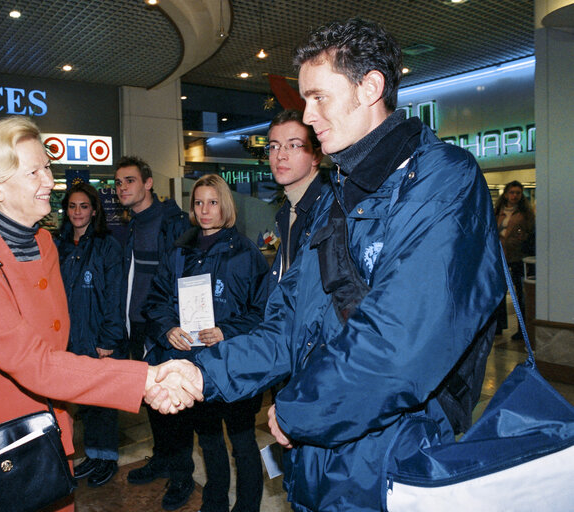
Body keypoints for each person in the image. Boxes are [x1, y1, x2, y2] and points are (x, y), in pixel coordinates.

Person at [150, 18, 505, 511]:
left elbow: (399, 347)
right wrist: (201, 373)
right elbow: (287, 323)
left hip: (394, 456)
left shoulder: (443, 181)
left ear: (371, 87)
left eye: (319, 98)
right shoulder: (340, 192)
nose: (308, 116)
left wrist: (297, 411)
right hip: (321, 457)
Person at [0, 117, 200, 512]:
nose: (50, 181)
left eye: (47, 166)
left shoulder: (43, 241)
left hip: (50, 425)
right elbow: (32, 362)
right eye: (34, 171)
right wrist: (144, 378)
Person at [144, 174, 269, 512]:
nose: (204, 210)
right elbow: (155, 300)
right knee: (210, 442)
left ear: (224, 205)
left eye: (212, 202)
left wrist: (228, 330)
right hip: (196, 366)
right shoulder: (179, 251)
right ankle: (214, 504)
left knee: (243, 444)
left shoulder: (246, 253)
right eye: (198, 202)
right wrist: (168, 328)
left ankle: (247, 507)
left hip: (236, 363)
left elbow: (264, 312)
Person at [114, 155, 192, 509]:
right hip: (136, 324)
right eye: (118, 183)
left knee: (173, 405)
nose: (122, 189)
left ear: (148, 183)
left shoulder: (171, 222)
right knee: (151, 399)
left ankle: (182, 477)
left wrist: (172, 325)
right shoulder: (132, 224)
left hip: (162, 327)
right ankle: (161, 460)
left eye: (129, 181)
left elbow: (180, 279)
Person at [56, 182, 125, 487]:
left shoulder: (107, 245)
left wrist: (108, 340)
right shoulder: (60, 245)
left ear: (95, 210)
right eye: (72, 206)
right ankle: (93, 455)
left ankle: (107, 459)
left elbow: (115, 295)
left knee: (104, 404)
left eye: (84, 206)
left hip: (99, 339)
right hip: (71, 340)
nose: (77, 212)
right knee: (85, 403)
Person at [266, 109, 323, 291]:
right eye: (274, 146)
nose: (280, 155)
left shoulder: (327, 210)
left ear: (316, 155)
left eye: (293, 145)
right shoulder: (287, 212)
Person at [494, 180, 535, 339]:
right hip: (500, 257)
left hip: (518, 257)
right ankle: (499, 325)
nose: (515, 196)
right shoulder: (498, 212)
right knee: (498, 293)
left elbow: (530, 233)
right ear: (506, 194)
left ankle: (522, 329)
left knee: (520, 295)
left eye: (518, 193)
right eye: (512, 192)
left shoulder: (525, 214)